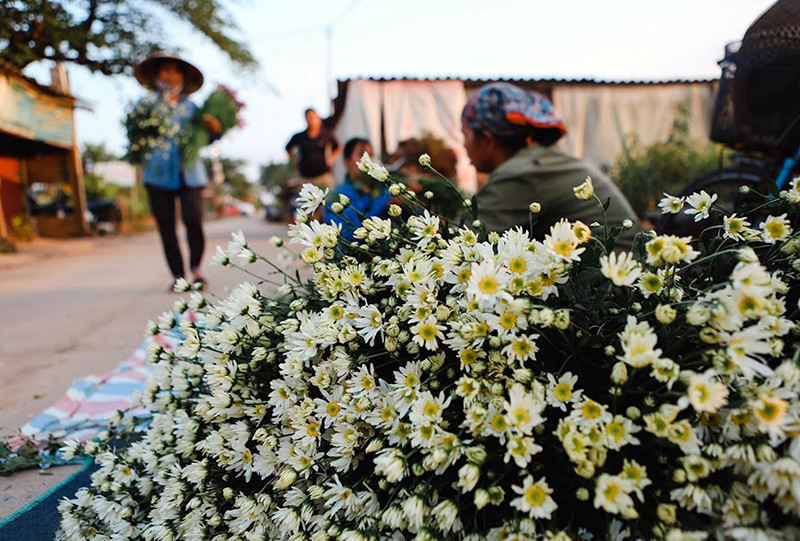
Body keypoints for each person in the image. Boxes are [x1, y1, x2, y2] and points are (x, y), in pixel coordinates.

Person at [461, 83, 640, 251]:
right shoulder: (543, 160)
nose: (463, 145)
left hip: (618, 279)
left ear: (487, 140)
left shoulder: (522, 172)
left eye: (465, 134)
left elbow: (463, 243)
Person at [133, 51, 221, 290]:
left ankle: (196, 269)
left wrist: (215, 130)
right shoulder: (146, 106)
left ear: (182, 76)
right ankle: (178, 277)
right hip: (156, 174)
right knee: (166, 228)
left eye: (175, 71)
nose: (170, 76)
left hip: (191, 174)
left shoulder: (192, 108)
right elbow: (135, 138)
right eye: (165, 70)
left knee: (193, 220)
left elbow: (206, 138)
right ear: (157, 74)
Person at [324, 137, 391, 241]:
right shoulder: (338, 196)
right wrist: (384, 204)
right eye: (362, 155)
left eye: (371, 155)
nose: (369, 161)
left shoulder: (382, 188)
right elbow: (350, 232)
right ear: (346, 160)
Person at [285, 108, 340, 192]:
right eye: (308, 117)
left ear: (318, 119)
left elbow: (338, 147)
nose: (311, 120)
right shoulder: (300, 137)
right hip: (306, 178)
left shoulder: (326, 134)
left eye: (313, 117)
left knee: (328, 202)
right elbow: (288, 148)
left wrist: (331, 158)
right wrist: (295, 158)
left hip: (324, 176)